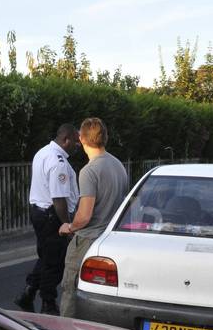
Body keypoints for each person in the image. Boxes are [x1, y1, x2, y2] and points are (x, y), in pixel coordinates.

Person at [58, 117, 129, 317]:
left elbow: (84, 215)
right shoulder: (118, 165)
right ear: (105, 138)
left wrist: (69, 227)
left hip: (87, 240)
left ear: (81, 139)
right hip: (111, 239)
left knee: (70, 290)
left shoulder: (89, 171)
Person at [14, 124, 81, 315]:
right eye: (75, 142)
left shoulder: (43, 152)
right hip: (52, 215)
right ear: (66, 139)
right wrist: (66, 224)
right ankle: (48, 303)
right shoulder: (58, 161)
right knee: (55, 261)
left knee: (46, 256)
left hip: (40, 213)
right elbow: (58, 198)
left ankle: (28, 293)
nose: (77, 146)